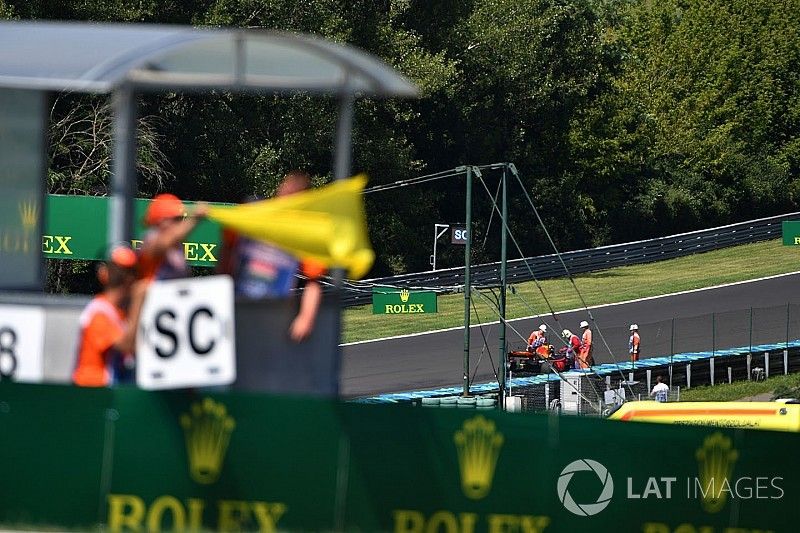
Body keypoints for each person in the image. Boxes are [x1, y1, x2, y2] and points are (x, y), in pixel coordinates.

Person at [218, 171, 325, 342]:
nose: (288, 195)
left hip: (274, 313)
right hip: (238, 303)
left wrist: (306, 318)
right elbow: (227, 250)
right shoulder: (255, 213)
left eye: (295, 194)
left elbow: (314, 281)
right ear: (280, 189)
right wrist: (221, 287)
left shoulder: (302, 232)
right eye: (287, 190)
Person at [72, 245, 138, 387]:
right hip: (93, 395)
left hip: (108, 393)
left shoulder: (117, 312)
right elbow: (125, 345)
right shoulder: (99, 312)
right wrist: (138, 302)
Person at [137, 193, 208, 281]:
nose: (179, 222)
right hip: (153, 292)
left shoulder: (177, 245)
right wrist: (195, 219)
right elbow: (165, 242)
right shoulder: (150, 238)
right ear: (161, 220)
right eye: (176, 218)